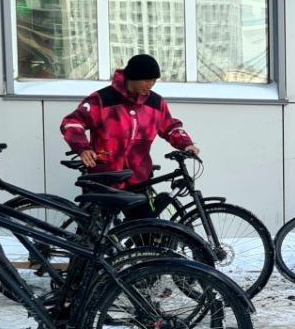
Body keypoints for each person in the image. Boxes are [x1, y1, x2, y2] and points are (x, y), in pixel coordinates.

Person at [60, 54, 200, 216]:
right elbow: (72, 123)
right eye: (147, 80)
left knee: (145, 232)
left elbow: (170, 126)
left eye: (154, 80)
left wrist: (186, 143)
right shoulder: (102, 99)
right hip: (104, 178)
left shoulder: (156, 103)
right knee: (93, 235)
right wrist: (83, 148)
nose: (151, 85)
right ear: (132, 77)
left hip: (138, 177)